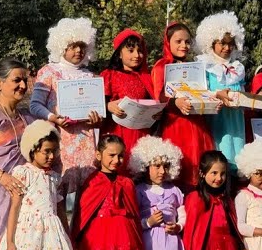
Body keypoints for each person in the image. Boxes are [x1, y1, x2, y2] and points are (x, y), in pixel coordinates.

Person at [30, 17, 102, 197]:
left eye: (82, 46)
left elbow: (99, 115)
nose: (78, 50)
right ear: (61, 46)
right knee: (62, 197)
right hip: (59, 143)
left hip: (87, 146)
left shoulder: (92, 77)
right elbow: (35, 105)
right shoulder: (49, 72)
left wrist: (97, 120)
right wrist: (53, 118)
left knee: (86, 195)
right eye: (73, 46)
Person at [0, 120, 76, 250]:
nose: (51, 156)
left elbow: (60, 211)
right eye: (46, 151)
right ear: (33, 149)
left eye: (54, 151)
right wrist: (10, 240)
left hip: (52, 234)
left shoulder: (54, 178)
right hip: (28, 234)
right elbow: (15, 208)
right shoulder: (24, 173)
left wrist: (67, 236)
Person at [151, 22, 215, 191]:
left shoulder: (195, 67)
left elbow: (203, 91)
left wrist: (212, 100)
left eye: (187, 42)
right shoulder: (161, 66)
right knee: (179, 170)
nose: (183, 46)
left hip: (198, 125)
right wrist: (175, 102)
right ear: (168, 42)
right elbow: (159, 95)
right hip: (175, 126)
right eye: (178, 41)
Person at [71, 134, 149, 250]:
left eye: (120, 156)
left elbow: (134, 216)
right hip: (98, 238)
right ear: (99, 155)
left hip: (126, 237)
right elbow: (83, 215)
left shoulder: (127, 183)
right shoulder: (92, 181)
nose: (116, 160)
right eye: (111, 155)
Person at [196, 12, 248, 164]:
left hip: (236, 121)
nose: (227, 48)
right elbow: (199, 93)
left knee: (238, 157)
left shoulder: (238, 68)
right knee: (219, 157)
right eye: (222, 43)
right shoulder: (205, 66)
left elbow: (242, 92)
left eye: (231, 43)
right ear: (211, 42)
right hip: (216, 119)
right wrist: (217, 94)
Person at [101, 28, 159, 158]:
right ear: (119, 53)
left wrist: (157, 113)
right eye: (131, 51)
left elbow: (154, 103)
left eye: (140, 51)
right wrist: (108, 106)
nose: (137, 55)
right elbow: (98, 103)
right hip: (117, 133)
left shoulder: (147, 77)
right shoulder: (109, 75)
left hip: (142, 134)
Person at [131, 136, 186, 250]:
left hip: (172, 242)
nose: (162, 171)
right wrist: (148, 222)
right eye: (157, 166)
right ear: (145, 166)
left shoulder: (174, 190)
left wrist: (178, 226)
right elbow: (132, 220)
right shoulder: (139, 191)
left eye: (165, 166)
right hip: (149, 242)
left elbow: (182, 213)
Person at [183, 150, 243, 250]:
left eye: (223, 174)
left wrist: (242, 249)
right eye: (214, 173)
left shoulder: (226, 199)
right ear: (202, 173)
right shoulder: (195, 198)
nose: (219, 178)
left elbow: (233, 229)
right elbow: (192, 234)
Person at [0, 58, 34, 243]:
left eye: (25, 80)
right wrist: (1, 176)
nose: (23, 85)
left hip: (25, 194)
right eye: (17, 80)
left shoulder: (28, 117)